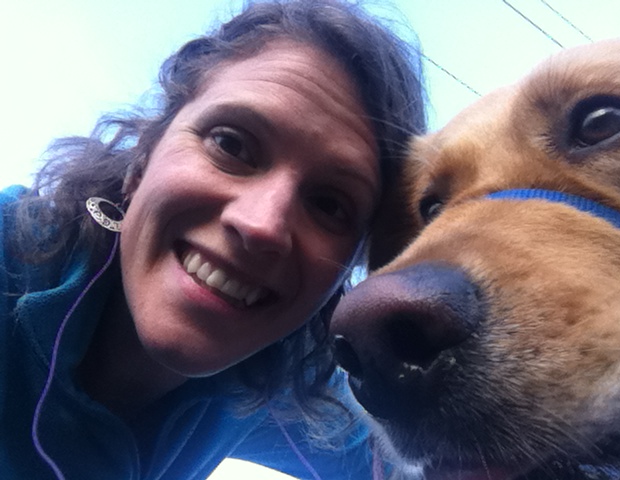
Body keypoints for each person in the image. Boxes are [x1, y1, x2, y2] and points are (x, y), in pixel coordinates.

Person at [0, 0, 426, 478]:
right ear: (142, 160)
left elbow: (409, 464)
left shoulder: (268, 388)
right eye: (230, 144)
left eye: (329, 204)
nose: (262, 225)